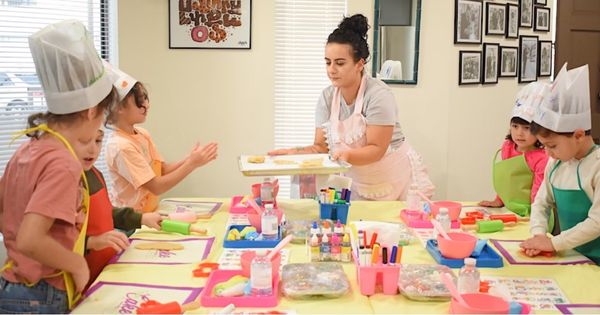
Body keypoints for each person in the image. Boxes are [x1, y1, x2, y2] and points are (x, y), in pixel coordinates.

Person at [0, 20, 117, 312]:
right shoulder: (63, 163)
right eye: (102, 118)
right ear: (92, 110)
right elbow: (30, 239)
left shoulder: (30, 149)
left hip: (14, 285)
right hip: (38, 295)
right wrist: (77, 264)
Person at [268, 14, 434, 201]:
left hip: (397, 179)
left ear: (359, 63)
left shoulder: (379, 95)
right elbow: (321, 147)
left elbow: (376, 149)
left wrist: (345, 155)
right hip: (359, 182)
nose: (331, 69)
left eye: (340, 63)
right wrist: (295, 153)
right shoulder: (327, 97)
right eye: (328, 62)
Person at [104, 67, 218, 212]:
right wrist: (192, 164)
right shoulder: (121, 146)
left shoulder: (142, 134)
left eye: (146, 99)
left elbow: (162, 170)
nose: (146, 105)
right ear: (119, 108)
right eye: (140, 101)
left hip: (150, 214)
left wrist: (190, 158)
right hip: (132, 222)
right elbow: (156, 186)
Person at [520, 64, 600, 264]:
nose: (547, 153)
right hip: (574, 257)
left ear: (578, 135)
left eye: (552, 145)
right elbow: (541, 202)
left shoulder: (596, 166)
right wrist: (539, 233)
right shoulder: (556, 163)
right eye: (543, 145)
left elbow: (597, 222)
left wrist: (554, 243)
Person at [84, 129, 163, 290]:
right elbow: (57, 237)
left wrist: (142, 219)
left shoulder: (94, 173)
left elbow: (106, 212)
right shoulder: (66, 180)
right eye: (84, 141)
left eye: (98, 141)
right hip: (84, 270)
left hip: (105, 266)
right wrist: (91, 242)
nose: (92, 149)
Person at [479, 82, 549, 217]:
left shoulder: (542, 158)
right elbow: (506, 180)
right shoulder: (508, 147)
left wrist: (535, 218)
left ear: (539, 130)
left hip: (533, 213)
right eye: (515, 126)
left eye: (527, 128)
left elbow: (539, 193)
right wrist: (499, 200)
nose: (519, 133)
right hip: (510, 209)